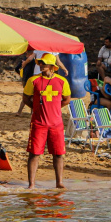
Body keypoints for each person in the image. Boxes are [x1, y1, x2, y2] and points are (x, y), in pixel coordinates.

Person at [23, 53, 70, 189]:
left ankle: (59, 182)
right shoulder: (33, 80)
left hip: (56, 123)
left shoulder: (62, 81)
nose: (41, 65)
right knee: (34, 153)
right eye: (40, 63)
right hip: (38, 123)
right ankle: (31, 184)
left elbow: (66, 99)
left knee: (58, 153)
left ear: (52, 66)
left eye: (44, 63)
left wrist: (54, 108)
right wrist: (36, 108)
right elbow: (25, 98)